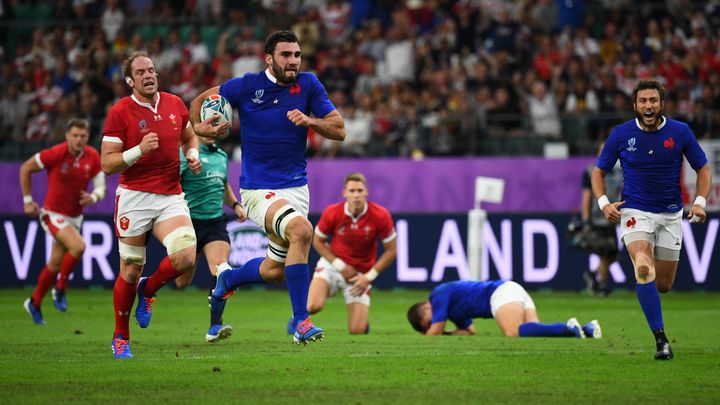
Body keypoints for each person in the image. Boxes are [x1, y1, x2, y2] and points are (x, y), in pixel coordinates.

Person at [190, 30, 345, 345]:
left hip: (296, 189)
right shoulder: (247, 85)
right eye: (286, 55)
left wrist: (311, 121)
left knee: (275, 270)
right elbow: (199, 102)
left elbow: (339, 129)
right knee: (301, 230)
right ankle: (301, 322)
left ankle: (227, 280)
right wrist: (199, 128)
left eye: (297, 55)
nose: (293, 61)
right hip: (258, 189)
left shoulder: (310, 84)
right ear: (269, 58)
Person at [592, 79, 712, 360]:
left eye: (653, 101)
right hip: (635, 212)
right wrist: (603, 203)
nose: (648, 105)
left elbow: (703, 168)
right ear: (635, 105)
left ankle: (656, 314)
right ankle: (661, 341)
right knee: (643, 268)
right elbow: (598, 172)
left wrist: (700, 202)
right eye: (643, 101)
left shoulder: (680, 132)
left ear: (661, 104)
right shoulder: (621, 135)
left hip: (671, 214)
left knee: (663, 285)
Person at [101, 51, 202, 359]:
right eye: (141, 72)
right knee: (129, 271)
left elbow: (189, 137)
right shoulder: (120, 112)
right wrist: (137, 151)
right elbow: (107, 164)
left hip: (170, 195)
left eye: (152, 70)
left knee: (185, 257)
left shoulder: (175, 104)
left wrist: (194, 154)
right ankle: (121, 337)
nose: (148, 75)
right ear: (130, 81)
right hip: (134, 197)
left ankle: (149, 290)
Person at [20, 118, 105, 324]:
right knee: (79, 247)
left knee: (55, 264)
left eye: (83, 136)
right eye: (75, 135)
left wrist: (92, 197)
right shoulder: (56, 153)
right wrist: (28, 201)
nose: (78, 139)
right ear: (67, 136)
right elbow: (26, 168)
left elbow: (101, 187)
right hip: (53, 214)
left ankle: (34, 302)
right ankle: (60, 289)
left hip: (75, 217)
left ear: (87, 137)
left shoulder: (92, 156)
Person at [173, 135, 247, 343]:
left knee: (221, 269)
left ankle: (215, 325)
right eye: (209, 121)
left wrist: (235, 205)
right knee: (182, 282)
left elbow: (224, 185)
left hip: (215, 223)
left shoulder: (221, 155)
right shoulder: (184, 153)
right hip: (188, 223)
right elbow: (170, 183)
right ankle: (147, 288)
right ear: (196, 126)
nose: (214, 127)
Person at [303, 172, 396, 335]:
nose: (356, 195)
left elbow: (392, 250)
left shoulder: (381, 215)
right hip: (332, 266)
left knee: (357, 330)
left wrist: (368, 278)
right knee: (312, 306)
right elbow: (317, 241)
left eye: (360, 191)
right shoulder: (332, 212)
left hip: (360, 274)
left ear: (366, 192)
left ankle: (362, 322)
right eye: (352, 191)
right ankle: (297, 321)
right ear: (344, 193)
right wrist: (340, 265)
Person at [407, 280, 601, 338]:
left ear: (426, 307)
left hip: (500, 294)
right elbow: (469, 331)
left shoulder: (437, 296)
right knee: (533, 330)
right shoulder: (452, 311)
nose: (433, 323)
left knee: (512, 332)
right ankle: (585, 329)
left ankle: (567, 327)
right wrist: (449, 334)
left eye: (428, 322)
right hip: (511, 292)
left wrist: (435, 332)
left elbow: (436, 330)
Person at [580, 143, 623, 297]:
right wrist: (586, 221)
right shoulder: (590, 172)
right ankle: (602, 285)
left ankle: (593, 275)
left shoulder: (619, 173)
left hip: (612, 218)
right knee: (606, 252)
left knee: (614, 254)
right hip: (597, 218)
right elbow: (586, 198)